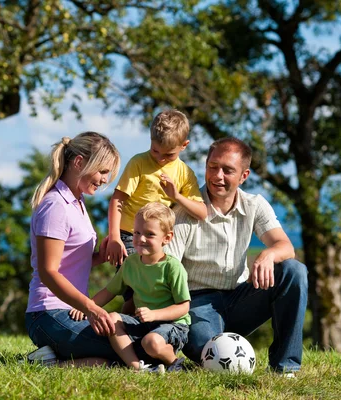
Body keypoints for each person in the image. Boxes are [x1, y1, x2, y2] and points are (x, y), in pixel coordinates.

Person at [164, 137, 308, 375]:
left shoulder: (255, 205)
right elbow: (167, 272)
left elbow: (285, 246)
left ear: (244, 176)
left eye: (227, 170)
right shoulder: (184, 210)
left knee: (294, 271)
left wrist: (268, 254)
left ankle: (285, 367)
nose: (217, 176)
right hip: (196, 303)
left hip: (240, 298)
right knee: (212, 358)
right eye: (212, 167)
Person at [24, 131, 122, 366]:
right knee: (129, 347)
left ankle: (54, 362)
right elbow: (49, 272)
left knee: (129, 344)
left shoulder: (77, 202)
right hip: (47, 314)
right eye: (102, 171)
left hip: (68, 311)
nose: (104, 180)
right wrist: (91, 307)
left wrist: (102, 255)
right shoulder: (55, 206)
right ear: (78, 162)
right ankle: (52, 362)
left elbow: (71, 260)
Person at [71, 202, 191, 372]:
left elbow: (184, 307)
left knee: (152, 343)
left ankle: (174, 363)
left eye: (150, 234)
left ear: (167, 238)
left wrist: (154, 314)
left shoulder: (172, 267)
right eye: (137, 232)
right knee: (112, 318)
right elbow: (109, 291)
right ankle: (137, 367)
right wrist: (87, 307)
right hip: (143, 323)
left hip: (173, 325)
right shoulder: (130, 264)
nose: (141, 239)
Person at [106, 109, 206, 313]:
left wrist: (176, 196)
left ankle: (130, 332)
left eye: (168, 154)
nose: (160, 159)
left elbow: (202, 213)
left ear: (184, 145)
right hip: (129, 237)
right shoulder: (138, 163)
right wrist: (114, 236)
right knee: (135, 292)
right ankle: (121, 331)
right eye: (155, 151)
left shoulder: (184, 173)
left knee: (149, 294)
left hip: (157, 240)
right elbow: (118, 199)